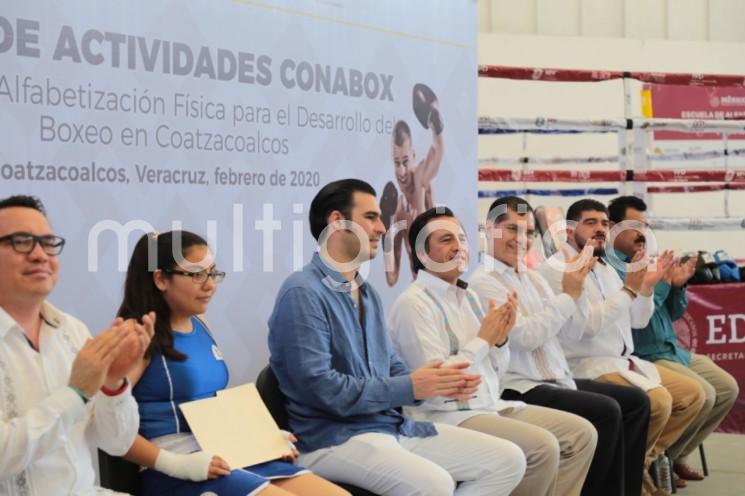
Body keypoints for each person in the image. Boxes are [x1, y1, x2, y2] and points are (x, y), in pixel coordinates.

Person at [268, 179, 526, 496]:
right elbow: (320, 389)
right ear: (336, 221)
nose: (382, 227)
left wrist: (426, 381)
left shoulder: (368, 293)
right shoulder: (302, 292)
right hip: (333, 438)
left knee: (508, 460)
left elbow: (390, 363)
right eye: (371, 217)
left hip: (389, 426)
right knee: (435, 484)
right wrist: (411, 385)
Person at [117, 231, 349, 496]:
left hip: (224, 456)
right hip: (176, 470)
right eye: (196, 275)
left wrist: (262, 440)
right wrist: (176, 464)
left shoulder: (201, 324)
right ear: (160, 278)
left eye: (212, 273)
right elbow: (112, 432)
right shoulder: (135, 336)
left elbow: (214, 411)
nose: (209, 285)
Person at [388, 206, 597, 496]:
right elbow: (435, 389)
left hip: (489, 403)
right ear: (421, 253)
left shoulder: (469, 296)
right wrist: (485, 340)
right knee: (542, 446)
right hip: (444, 415)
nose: (459, 247)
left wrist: (499, 342)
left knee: (581, 433)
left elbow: (495, 371)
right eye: (446, 240)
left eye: (462, 239)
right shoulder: (414, 304)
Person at [470, 196, 651, 496]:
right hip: (519, 385)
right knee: (606, 410)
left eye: (528, 232)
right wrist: (568, 296)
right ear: (490, 230)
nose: (522, 240)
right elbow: (526, 336)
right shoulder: (483, 282)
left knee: (634, 402)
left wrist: (575, 293)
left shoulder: (533, 278)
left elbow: (570, 334)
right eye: (512, 230)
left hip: (556, 378)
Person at [538, 199, 705, 496]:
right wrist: (629, 290)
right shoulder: (558, 268)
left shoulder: (602, 267)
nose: (600, 229)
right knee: (660, 401)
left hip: (619, 361)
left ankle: (640, 463)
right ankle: (634, 473)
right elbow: (586, 326)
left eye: (604, 223)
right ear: (569, 230)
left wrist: (645, 288)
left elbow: (638, 321)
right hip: (584, 364)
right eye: (591, 223)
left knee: (691, 395)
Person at [0, 194, 153, 496]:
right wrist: (76, 393)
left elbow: (116, 443)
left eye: (48, 243)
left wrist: (113, 383)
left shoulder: (71, 330)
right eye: (21, 241)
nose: (40, 255)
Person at [608, 195, 739, 484]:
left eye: (645, 226)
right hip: (647, 353)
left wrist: (677, 286)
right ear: (613, 227)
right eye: (634, 226)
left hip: (672, 349)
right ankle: (658, 458)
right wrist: (660, 283)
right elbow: (635, 321)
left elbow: (673, 312)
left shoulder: (645, 261)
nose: (642, 234)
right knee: (702, 393)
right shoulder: (612, 269)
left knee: (727, 388)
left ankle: (675, 454)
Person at [382, 86, 444, 287]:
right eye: (396, 163)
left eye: (406, 162)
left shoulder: (419, 180)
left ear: (414, 157)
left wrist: (434, 122)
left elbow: (436, 155)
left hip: (442, 284)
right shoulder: (397, 211)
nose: (401, 172)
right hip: (419, 293)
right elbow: (391, 278)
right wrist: (387, 232)